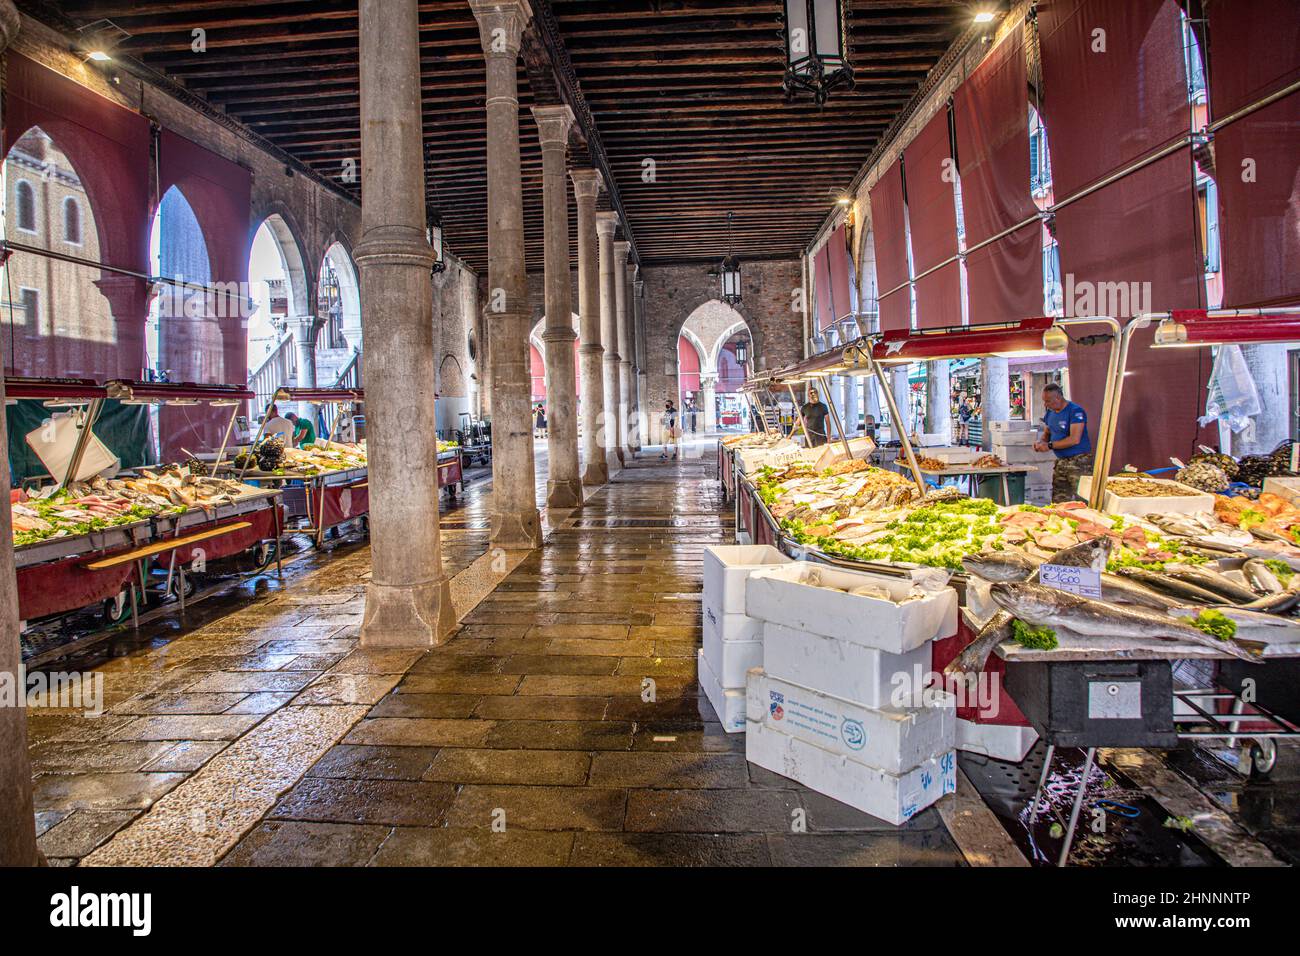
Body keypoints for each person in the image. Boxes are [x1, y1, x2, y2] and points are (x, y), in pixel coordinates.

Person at [1034, 382, 1094, 502]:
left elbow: (1074, 439)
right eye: (1044, 401)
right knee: (1059, 499)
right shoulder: (1050, 413)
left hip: (1078, 462)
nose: (1046, 404)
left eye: (1048, 401)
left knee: (1083, 499)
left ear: (1058, 398)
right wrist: (1040, 442)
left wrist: (1049, 445)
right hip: (1061, 462)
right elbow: (1047, 432)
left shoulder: (1076, 411)